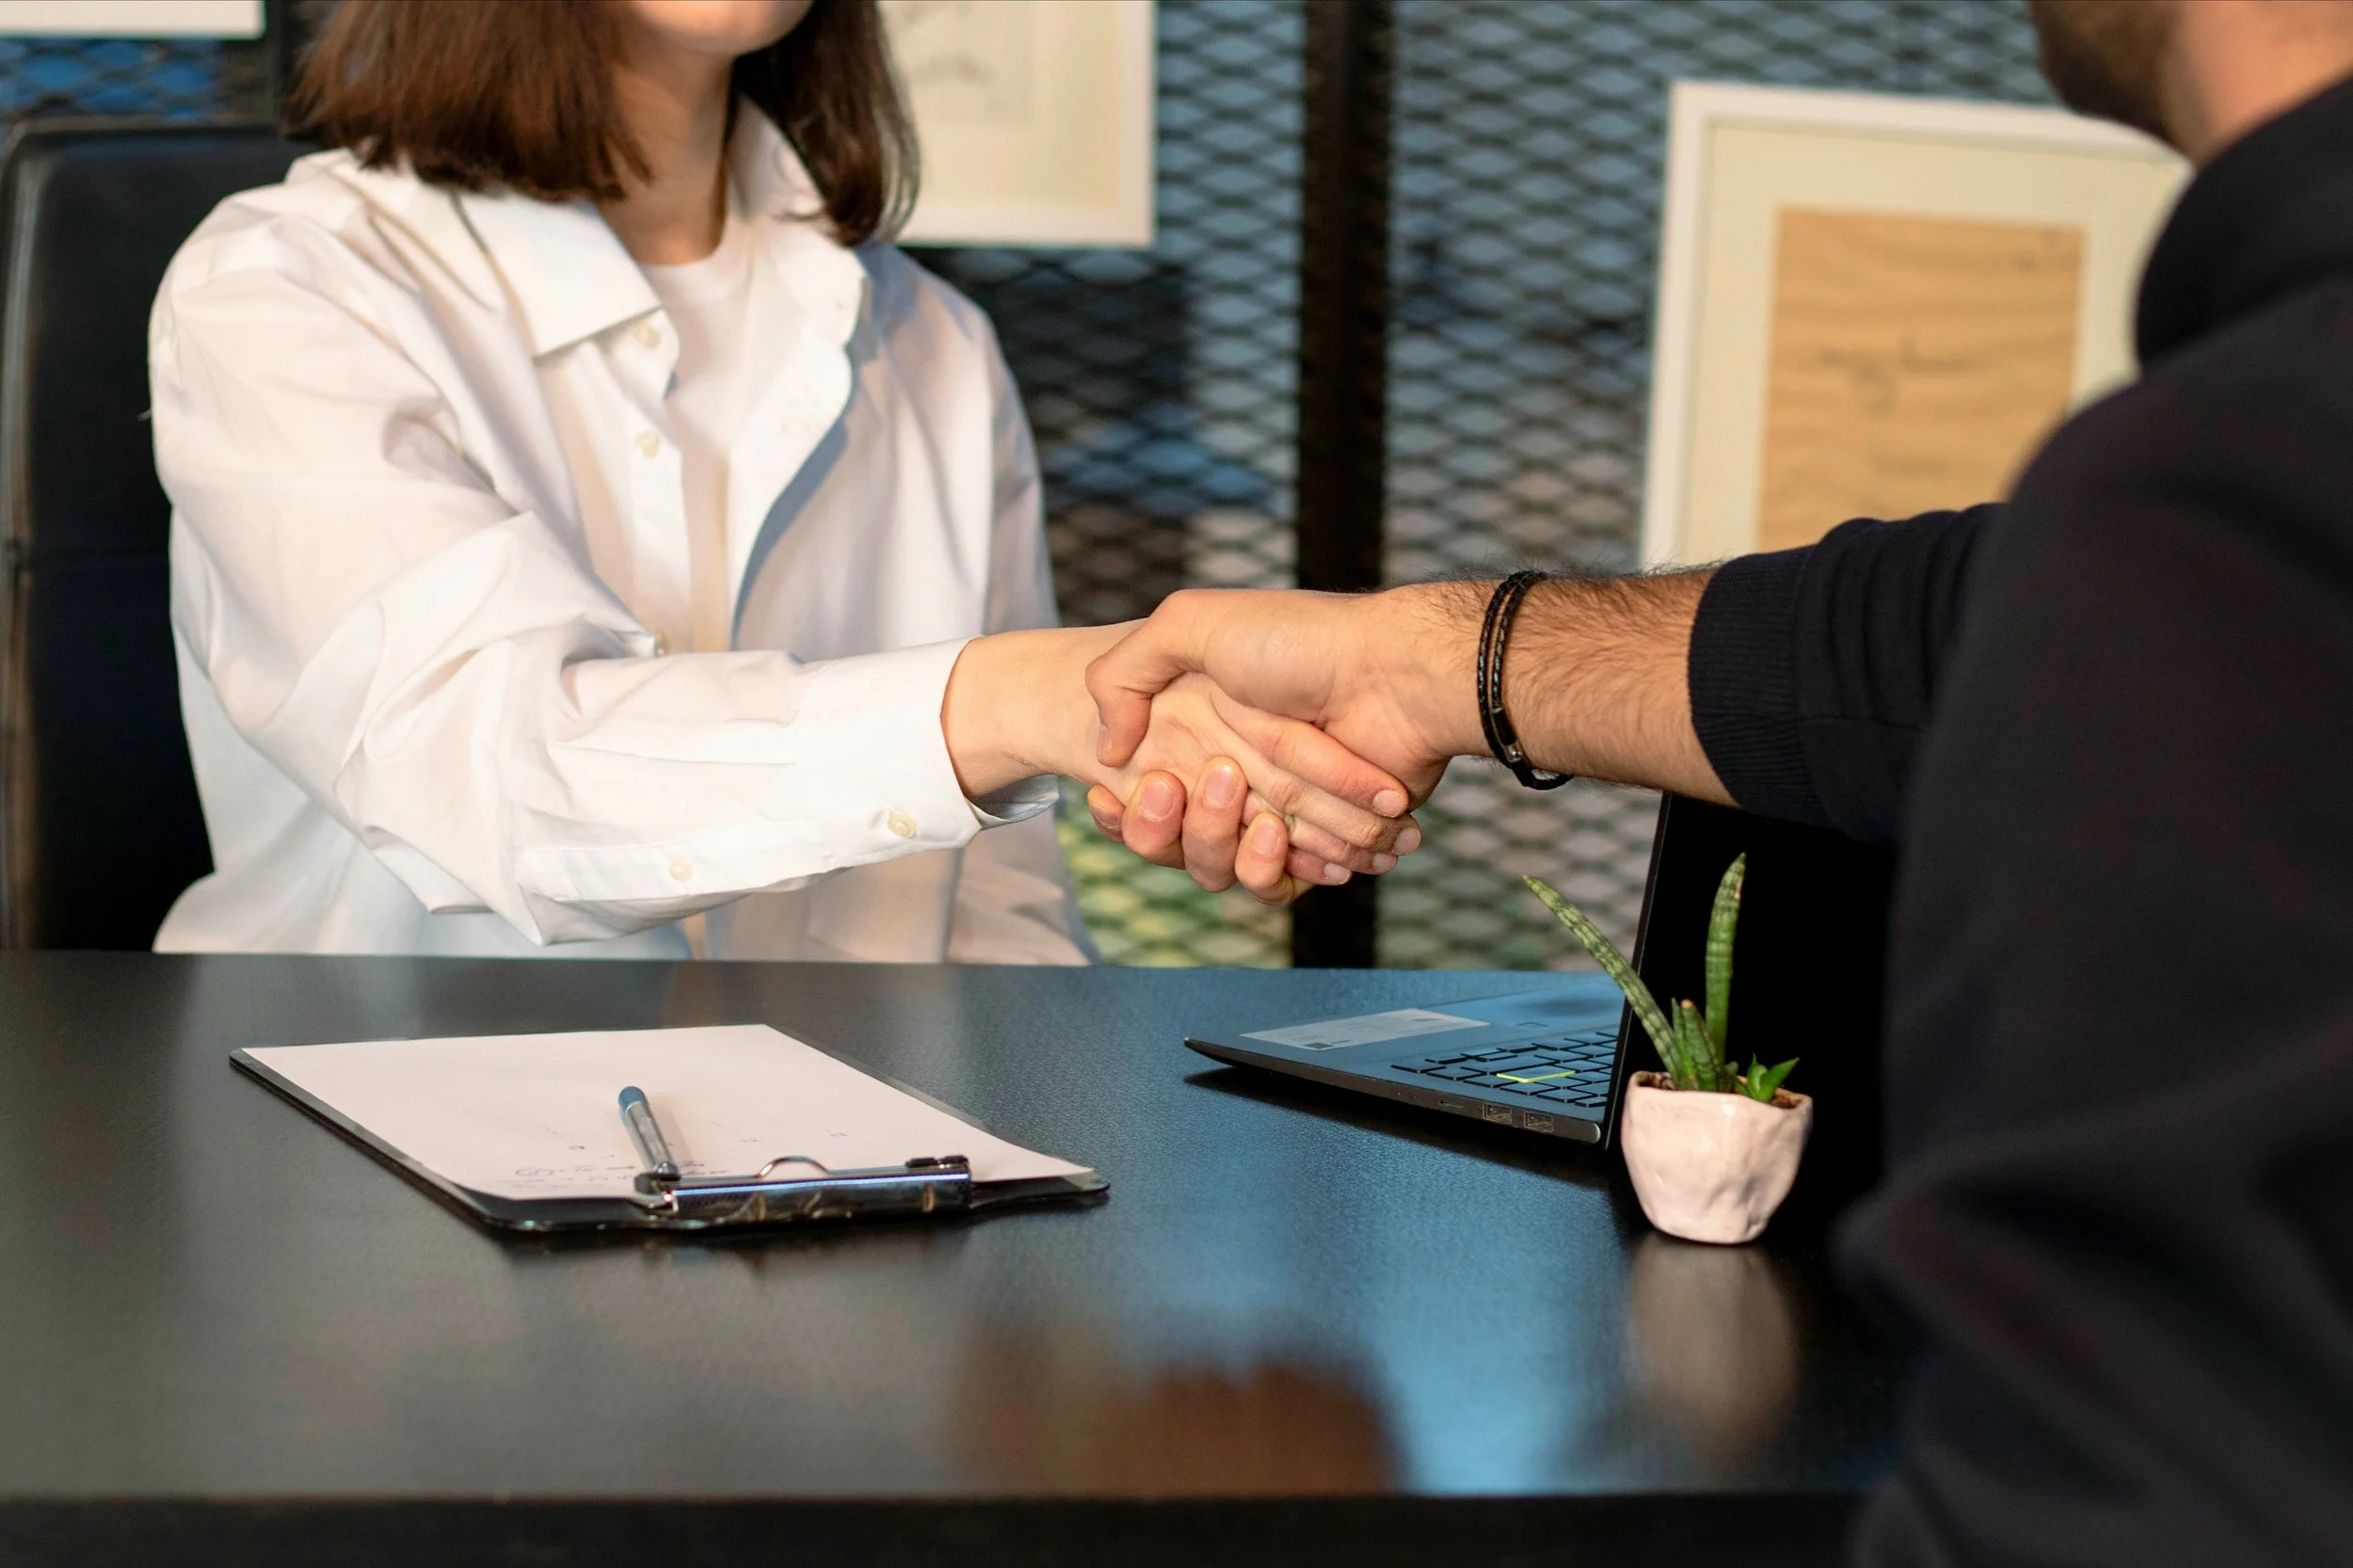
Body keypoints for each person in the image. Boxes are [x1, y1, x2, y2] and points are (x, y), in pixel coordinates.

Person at [1088, 0, 2353, 1560]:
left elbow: (2119, 1463)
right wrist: (1431, 659)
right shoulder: (2245, 469)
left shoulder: (2230, 478)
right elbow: (1950, 634)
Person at [150, 0, 1410, 963]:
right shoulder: (282, 291)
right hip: (371, 1200)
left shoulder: (936, 346)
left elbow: (1006, 925)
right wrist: (1016, 700)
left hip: (851, 1206)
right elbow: (502, 776)